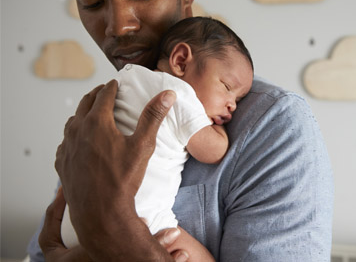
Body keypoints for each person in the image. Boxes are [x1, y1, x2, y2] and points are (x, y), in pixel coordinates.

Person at [28, 0, 334, 261]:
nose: (118, 26)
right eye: (91, 3)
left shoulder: (274, 126)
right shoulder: (99, 117)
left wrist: (120, 235)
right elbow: (46, 249)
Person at [60, 16, 254, 258]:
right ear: (181, 61)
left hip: (73, 224)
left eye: (237, 100)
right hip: (142, 221)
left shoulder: (125, 80)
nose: (232, 106)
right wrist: (218, 129)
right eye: (227, 87)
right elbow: (213, 151)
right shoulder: (179, 94)